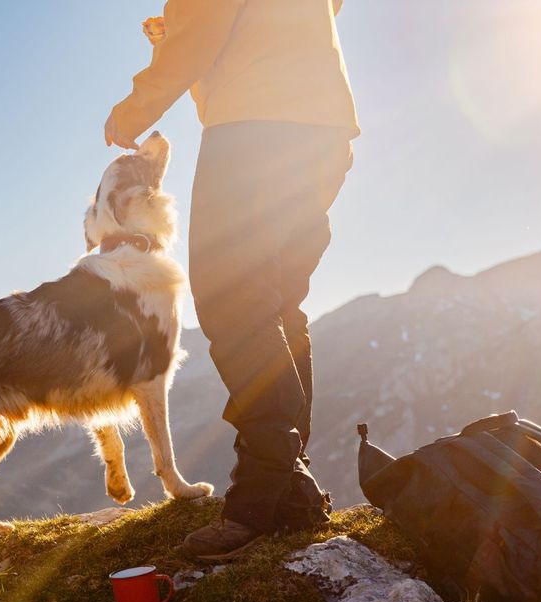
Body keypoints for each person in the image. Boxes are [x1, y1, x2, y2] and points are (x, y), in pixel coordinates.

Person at [105, 0, 359, 560]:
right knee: (274, 305)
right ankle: (290, 493)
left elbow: (203, 33)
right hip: (322, 132)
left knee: (232, 301)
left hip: (256, 134)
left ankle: (257, 503)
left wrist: (132, 110)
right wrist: (180, 32)